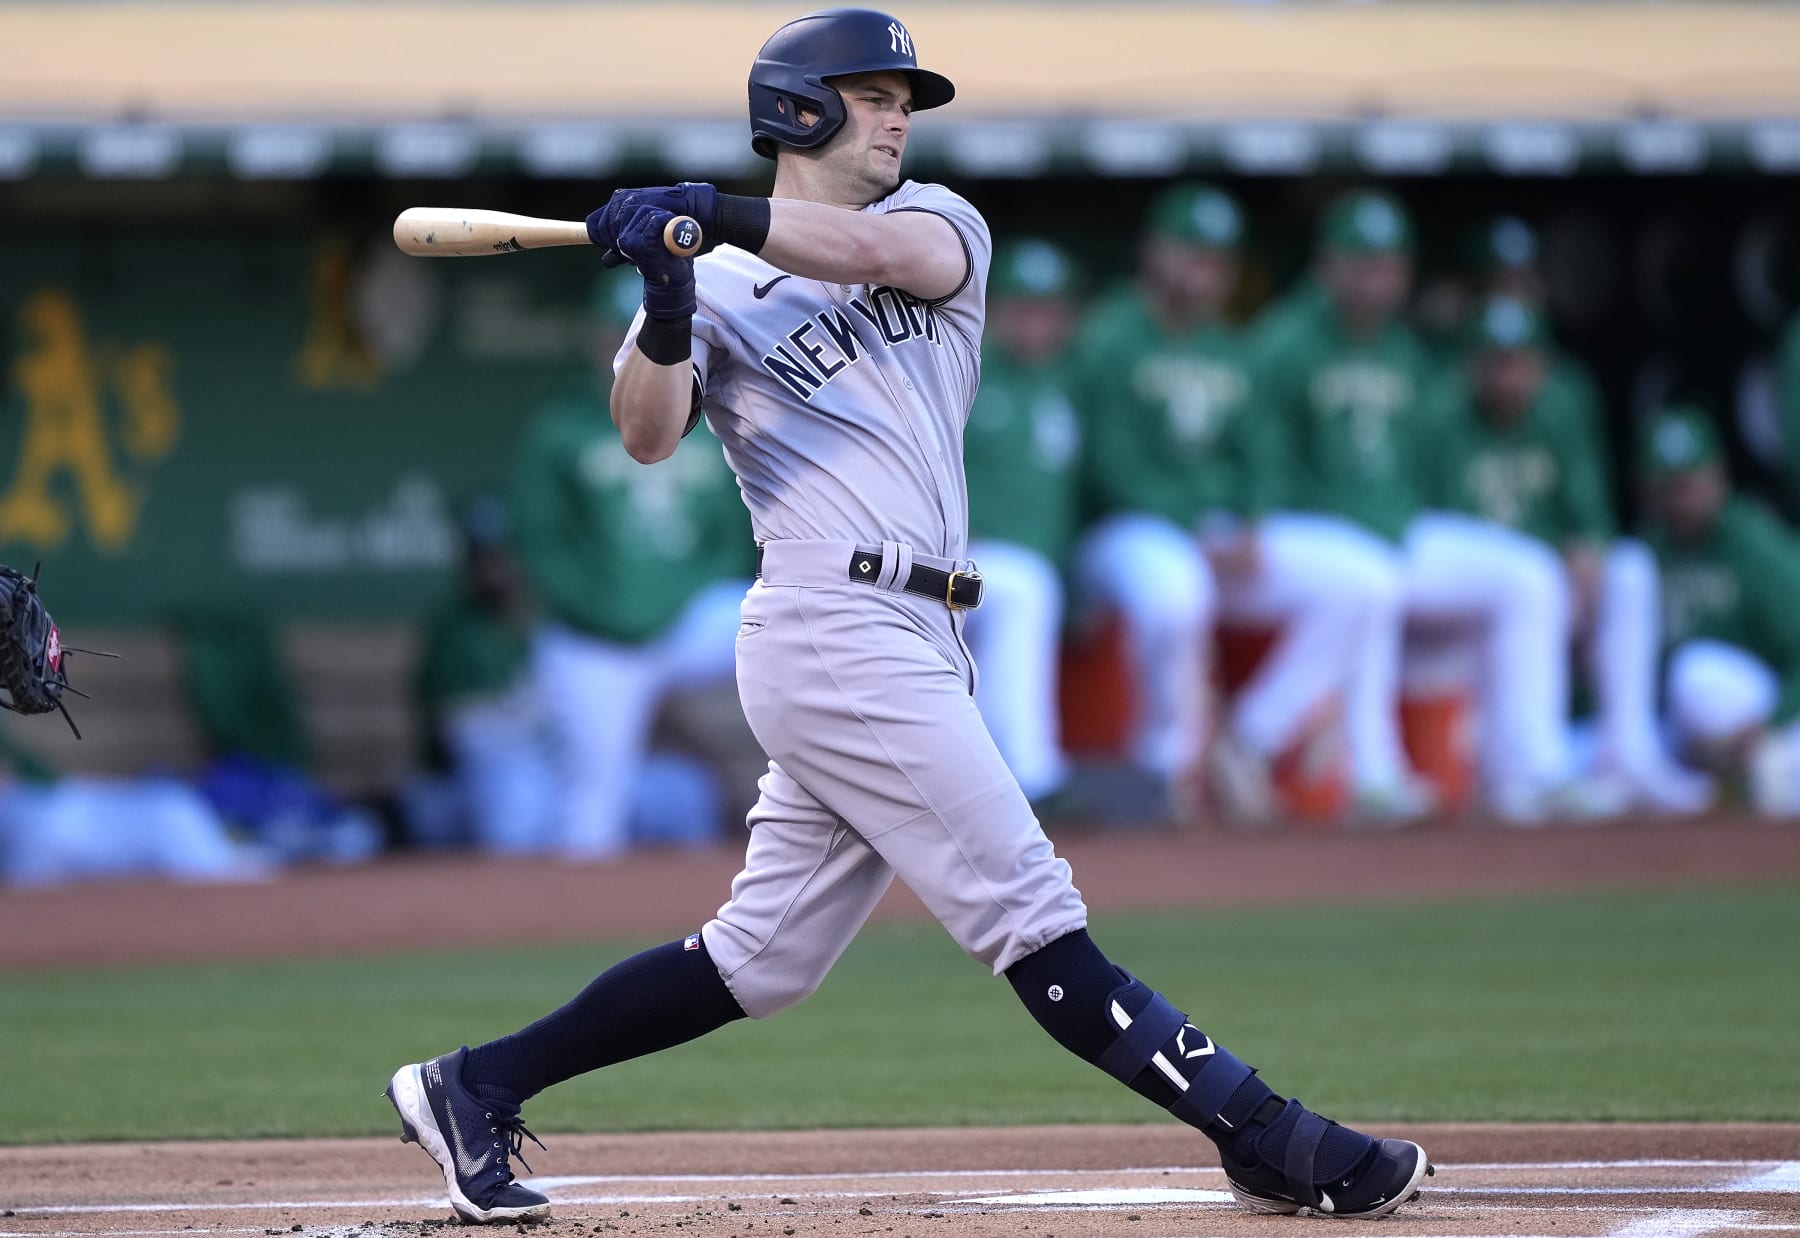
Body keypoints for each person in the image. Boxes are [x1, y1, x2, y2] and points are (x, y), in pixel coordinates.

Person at [381, 9, 1431, 1226]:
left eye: (901, 100)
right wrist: (669, 296)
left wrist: (709, 217)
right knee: (1033, 912)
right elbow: (646, 430)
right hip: (831, 622)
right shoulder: (714, 275)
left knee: (759, 959)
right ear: (800, 108)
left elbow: (874, 260)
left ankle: (473, 1084)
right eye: (873, 94)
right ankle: (1264, 1132)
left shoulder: (938, 222)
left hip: (923, 624)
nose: (897, 117)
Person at [1073, 183, 1422, 825]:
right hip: (1127, 531)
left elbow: (1260, 453)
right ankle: (1165, 768)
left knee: (1365, 581)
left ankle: (1250, 737)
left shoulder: (1227, 346)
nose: (1201, 271)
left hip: (1218, 532)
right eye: (1189, 252)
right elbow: (1108, 467)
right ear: (1153, 252)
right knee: (1175, 593)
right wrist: (1194, 526)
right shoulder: (1111, 335)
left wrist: (1254, 522)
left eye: (1215, 260)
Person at [1252, 190, 1581, 824]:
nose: (1377, 280)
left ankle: (1531, 772)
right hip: (1316, 532)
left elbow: (1429, 467)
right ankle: (1373, 775)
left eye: (1389, 266)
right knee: (1368, 574)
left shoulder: (1406, 350)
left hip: (1397, 528)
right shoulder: (1285, 343)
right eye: (1362, 263)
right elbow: (1267, 462)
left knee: (1529, 575)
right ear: (1328, 265)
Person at [509, 270, 755, 859]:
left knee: (811, 617)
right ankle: (577, 929)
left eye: (647, 335)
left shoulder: (712, 414)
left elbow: (734, 541)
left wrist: (680, 599)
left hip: (692, 625)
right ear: (595, 341)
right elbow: (540, 545)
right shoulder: (559, 429)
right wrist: (612, 614)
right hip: (595, 641)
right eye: (617, 336)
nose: (630, 350)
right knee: (593, 810)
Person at [1427, 299, 1708, 813]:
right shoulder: (1444, 415)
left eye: (1519, 362)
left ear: (1541, 366)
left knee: (1629, 568)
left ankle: (1630, 753)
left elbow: (1588, 517)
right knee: (1529, 579)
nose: (1508, 377)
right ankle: (1537, 768)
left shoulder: (1559, 411)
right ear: (1472, 366)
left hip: (1547, 580)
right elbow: (1443, 528)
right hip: (1484, 590)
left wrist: (1586, 560)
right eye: (1495, 363)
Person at [960, 238, 1082, 807]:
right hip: (954, 556)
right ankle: (1032, 775)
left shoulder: (1071, 381)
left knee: (1030, 587)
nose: (1036, 322)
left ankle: (991, 787)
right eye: (1022, 306)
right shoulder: (961, 372)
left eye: (1048, 308)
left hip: (1043, 563)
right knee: (1024, 589)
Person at [1641, 407, 1800, 816]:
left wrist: (1766, 725)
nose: (1682, 499)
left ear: (1718, 478)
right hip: (1679, 734)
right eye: (1670, 487)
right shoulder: (1643, 556)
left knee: (1698, 671)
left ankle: (1752, 775)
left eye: (1691, 484)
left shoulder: (1755, 545)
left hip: (1770, 709)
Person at [412, 495, 559, 852]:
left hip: (560, 767)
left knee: (677, 793)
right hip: (463, 787)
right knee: (519, 792)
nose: (495, 568)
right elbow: (461, 736)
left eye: (503, 555)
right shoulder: (454, 627)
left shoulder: (557, 614)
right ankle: (521, 905)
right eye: (483, 558)